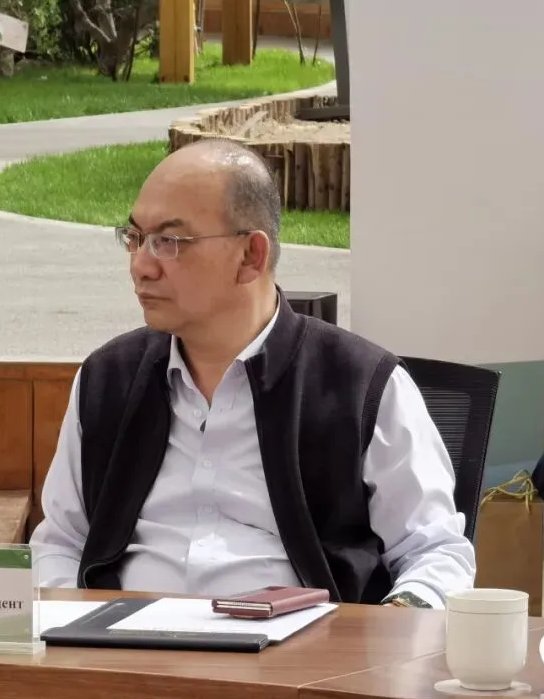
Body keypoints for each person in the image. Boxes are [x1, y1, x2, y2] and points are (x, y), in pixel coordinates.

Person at [29, 138, 475, 609]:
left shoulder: (361, 385)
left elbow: (435, 552)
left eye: (169, 242)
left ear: (251, 257)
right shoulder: (107, 379)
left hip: (305, 648)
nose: (140, 266)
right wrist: (69, 626)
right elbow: (61, 542)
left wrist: (391, 624)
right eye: (135, 238)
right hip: (123, 645)